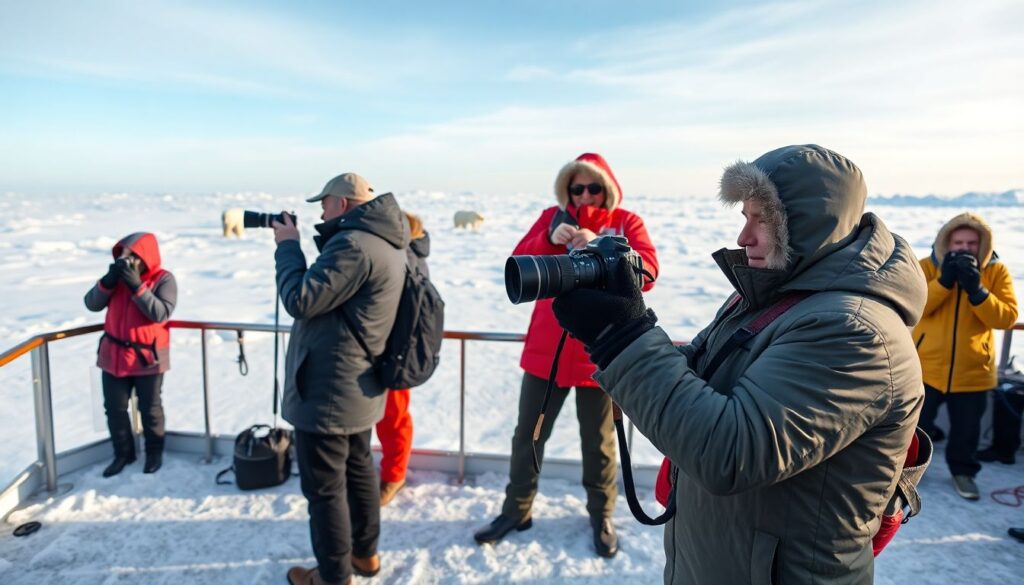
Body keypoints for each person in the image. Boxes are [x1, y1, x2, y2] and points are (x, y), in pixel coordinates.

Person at [553, 145, 926, 584]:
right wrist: (626, 317)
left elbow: (731, 453)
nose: (743, 237)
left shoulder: (854, 332)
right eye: (744, 216)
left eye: (760, 219)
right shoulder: (773, 296)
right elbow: (697, 378)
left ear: (806, 226)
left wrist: (622, 337)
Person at [473, 152, 659, 558]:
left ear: (607, 188)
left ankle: (602, 515)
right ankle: (516, 510)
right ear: (567, 190)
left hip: (601, 352)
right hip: (547, 351)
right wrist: (548, 240)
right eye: (577, 187)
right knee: (529, 436)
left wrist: (600, 249)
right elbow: (520, 261)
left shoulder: (626, 222)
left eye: (594, 187)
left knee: (600, 442)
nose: (585, 193)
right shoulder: (550, 218)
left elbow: (648, 271)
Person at [277, 173, 409, 585]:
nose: (321, 210)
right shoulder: (385, 243)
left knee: (325, 491)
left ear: (345, 204)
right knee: (358, 473)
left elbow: (300, 299)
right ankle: (365, 556)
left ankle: (334, 576)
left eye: (326, 203)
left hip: (328, 391)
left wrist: (287, 248)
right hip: (359, 385)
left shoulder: (353, 245)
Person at [913, 212, 1018, 499]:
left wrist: (978, 290)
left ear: (982, 245)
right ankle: (906, 473)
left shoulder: (996, 272)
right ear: (945, 243)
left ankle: (963, 473)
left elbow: (1006, 318)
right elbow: (915, 308)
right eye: (958, 242)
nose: (964, 248)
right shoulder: (924, 268)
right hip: (925, 367)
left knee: (966, 432)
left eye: (971, 243)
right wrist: (944, 282)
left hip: (973, 370)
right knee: (914, 428)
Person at [84, 232, 177, 477]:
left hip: (148, 357)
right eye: (122, 256)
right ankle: (123, 454)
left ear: (144, 258)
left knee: (150, 408)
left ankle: (154, 452)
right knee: (114, 408)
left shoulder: (163, 279)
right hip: (113, 355)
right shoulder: (116, 281)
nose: (125, 262)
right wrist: (107, 281)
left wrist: (137, 286)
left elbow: (160, 313)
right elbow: (91, 304)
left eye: (131, 256)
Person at [375, 211, 431, 506]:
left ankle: (394, 475)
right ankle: (390, 471)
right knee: (388, 416)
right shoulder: (409, 254)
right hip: (387, 347)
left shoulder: (406, 257)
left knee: (393, 417)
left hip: (395, 350)